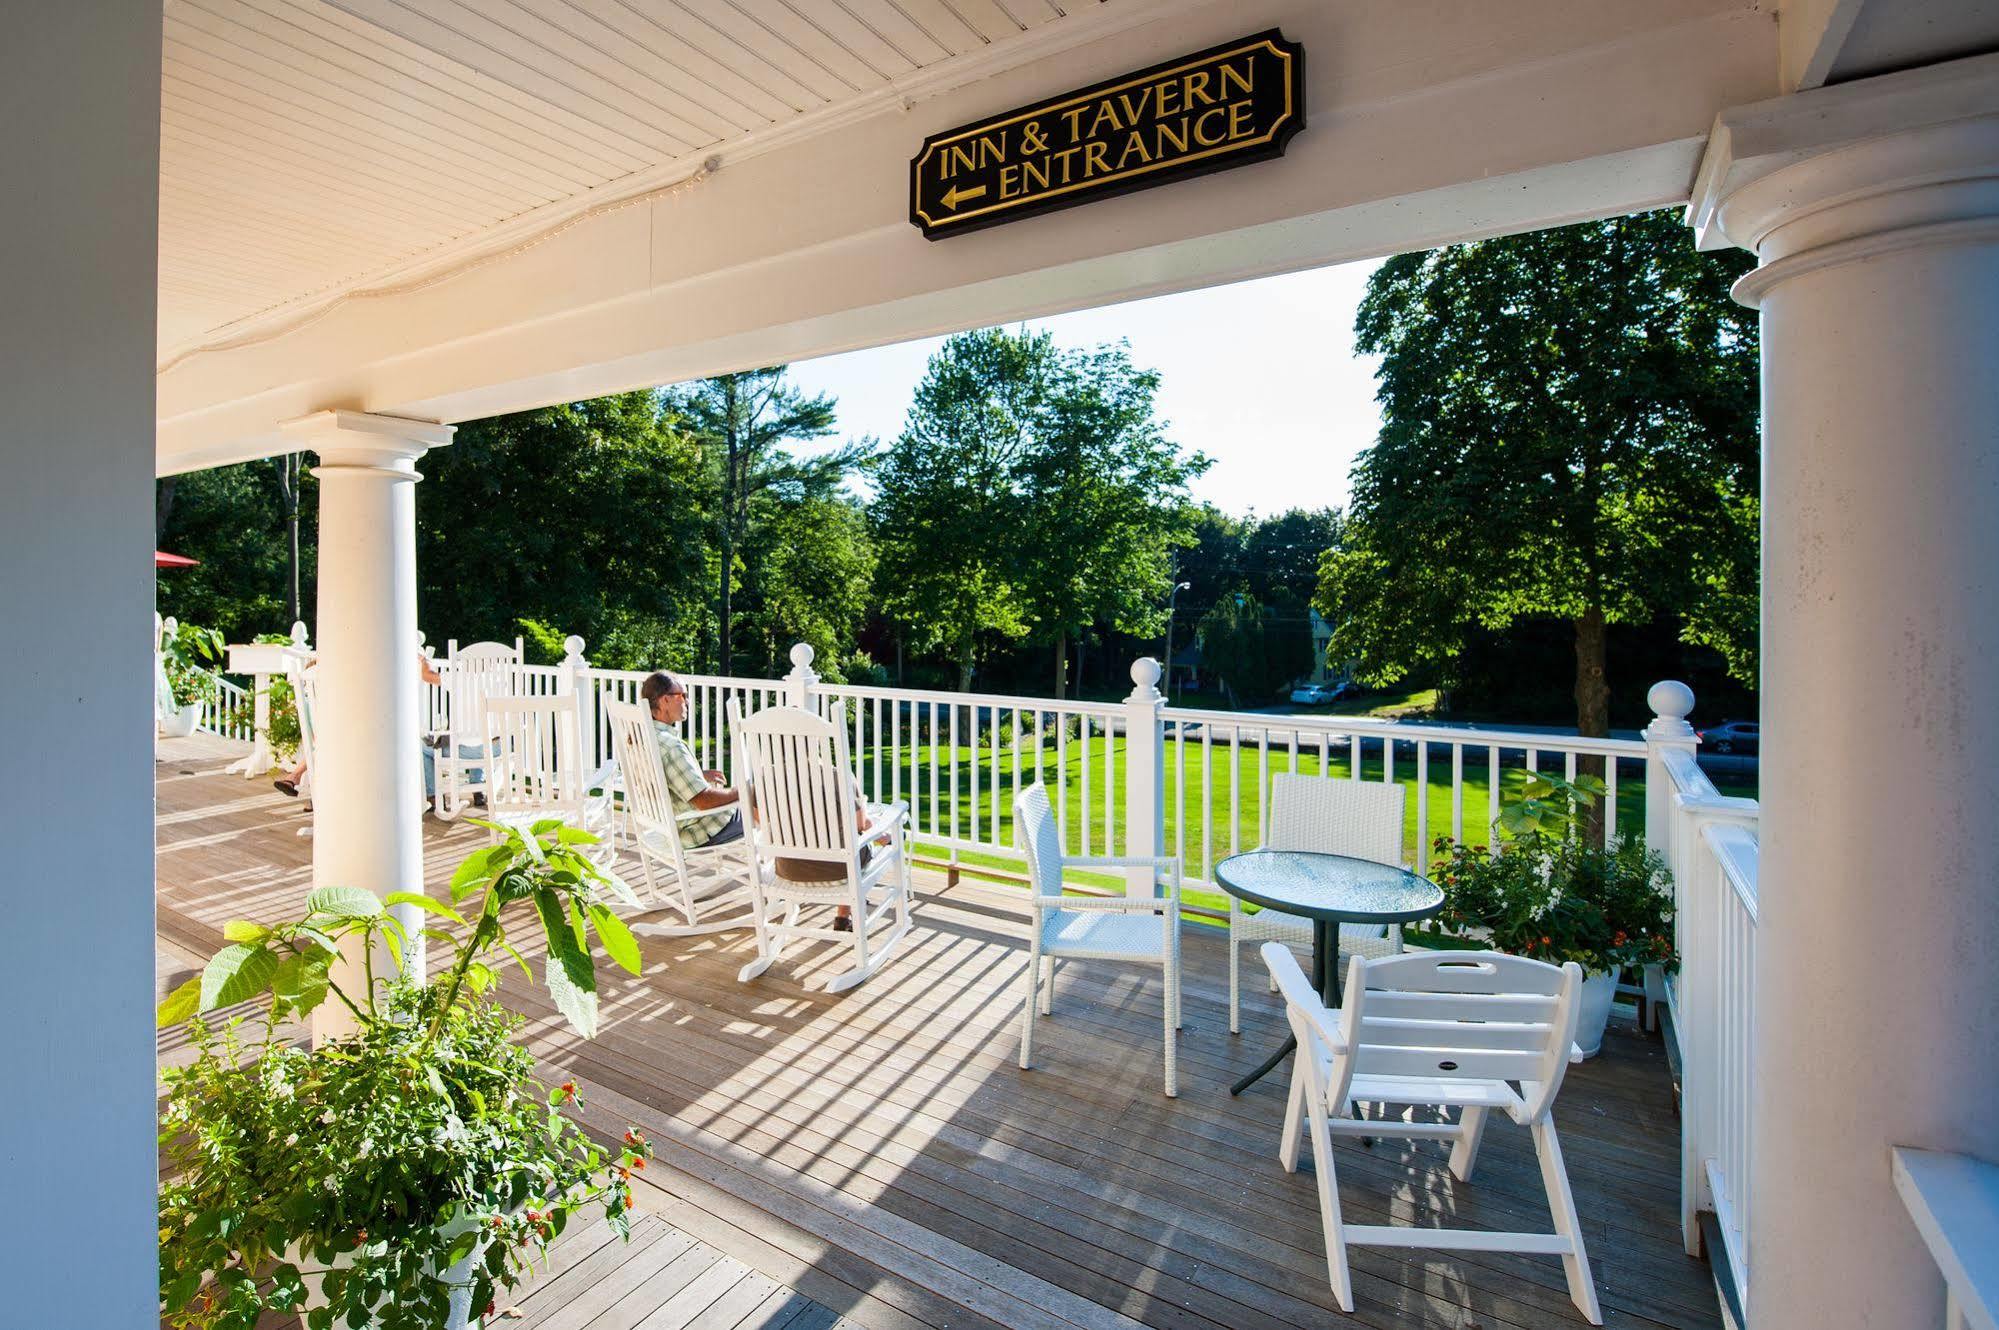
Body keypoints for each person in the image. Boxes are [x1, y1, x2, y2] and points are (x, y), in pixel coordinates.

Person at [640, 671, 745, 849]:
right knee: (767, 804)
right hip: (696, 830)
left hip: (666, 826)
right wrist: (740, 791)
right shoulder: (671, 746)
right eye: (683, 695)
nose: (687, 702)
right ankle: (779, 870)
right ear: (665, 700)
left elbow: (661, 780)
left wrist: (698, 775)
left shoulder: (641, 736)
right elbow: (704, 802)